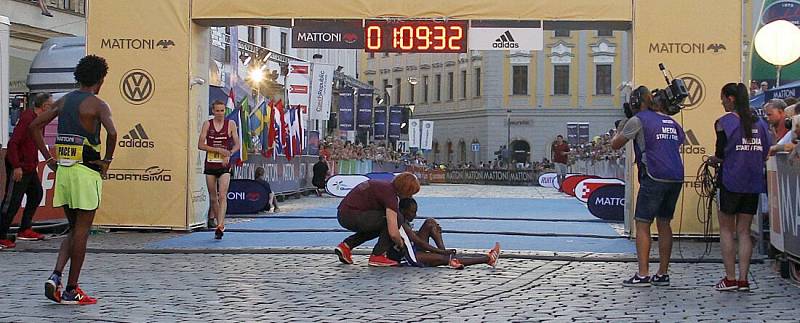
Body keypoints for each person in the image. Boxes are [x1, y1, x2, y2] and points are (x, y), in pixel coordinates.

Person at [30, 55, 117, 305]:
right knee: (82, 230)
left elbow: (34, 126)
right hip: (86, 171)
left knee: (73, 227)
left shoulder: (64, 100)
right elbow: (112, 132)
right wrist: (107, 161)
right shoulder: (98, 104)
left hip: (65, 171)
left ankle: (55, 276)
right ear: (100, 80)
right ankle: (72, 288)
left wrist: (48, 159)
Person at [611, 86, 685, 287]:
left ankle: (643, 274)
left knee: (643, 224)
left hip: (654, 174)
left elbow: (615, 144)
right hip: (676, 176)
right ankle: (662, 273)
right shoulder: (672, 121)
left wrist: (622, 125)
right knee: (664, 223)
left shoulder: (639, 119)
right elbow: (679, 143)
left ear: (636, 103)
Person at [711, 83, 771, 292]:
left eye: (722, 98)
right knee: (744, 231)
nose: (721, 102)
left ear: (731, 98)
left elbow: (720, 154)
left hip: (730, 181)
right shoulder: (761, 123)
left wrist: (713, 160)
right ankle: (744, 279)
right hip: (752, 182)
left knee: (726, 230)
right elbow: (765, 152)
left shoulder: (724, 122)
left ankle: (730, 278)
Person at [0, 92, 53, 248]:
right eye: (51, 105)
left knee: (36, 194)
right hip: (19, 166)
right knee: (12, 202)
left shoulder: (38, 121)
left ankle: (24, 229)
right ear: (45, 107)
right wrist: (16, 166)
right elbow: (13, 144)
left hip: (29, 166)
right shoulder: (27, 119)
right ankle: (1, 234)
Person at [334, 172, 420, 267]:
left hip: (344, 214)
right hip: (352, 216)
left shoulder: (384, 186)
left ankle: (346, 246)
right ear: (405, 190)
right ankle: (378, 255)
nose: (410, 197)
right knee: (396, 218)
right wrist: (401, 244)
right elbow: (393, 232)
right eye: (410, 193)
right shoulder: (390, 195)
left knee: (378, 226)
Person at [386, 198, 500, 269]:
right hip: (408, 256)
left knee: (430, 222)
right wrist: (442, 252)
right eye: (412, 212)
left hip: (412, 248)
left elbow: (411, 237)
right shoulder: (401, 222)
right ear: (404, 211)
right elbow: (419, 242)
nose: (415, 215)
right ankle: (487, 258)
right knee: (444, 258)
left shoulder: (403, 221)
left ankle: (447, 255)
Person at [198, 100, 240, 239]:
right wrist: (217, 150)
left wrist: (229, 153)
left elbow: (237, 145)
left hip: (224, 166)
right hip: (210, 164)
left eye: (222, 111)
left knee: (222, 195)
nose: (220, 113)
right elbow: (200, 144)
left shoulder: (231, 124)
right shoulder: (207, 124)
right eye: (217, 111)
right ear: (213, 111)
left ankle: (220, 225)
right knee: (213, 197)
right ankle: (217, 222)